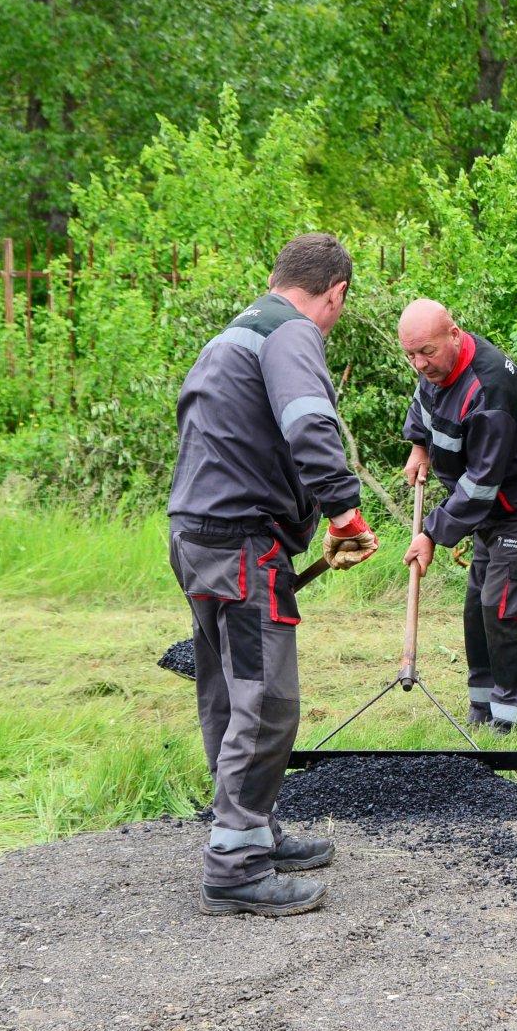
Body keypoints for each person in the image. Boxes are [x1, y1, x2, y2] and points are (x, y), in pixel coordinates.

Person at [168, 233, 380, 918]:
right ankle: (234, 869)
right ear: (336, 293)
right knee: (266, 704)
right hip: (240, 546)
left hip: (197, 535)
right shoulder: (290, 335)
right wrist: (345, 514)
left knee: (229, 695)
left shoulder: (234, 333)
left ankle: (251, 828)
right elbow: (309, 423)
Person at [399, 300, 517, 731]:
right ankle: (483, 705)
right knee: (477, 608)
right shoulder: (436, 369)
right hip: (494, 510)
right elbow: (424, 404)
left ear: (454, 334)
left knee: (506, 607)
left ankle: (515, 719)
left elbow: (482, 484)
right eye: (410, 354)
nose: (419, 364)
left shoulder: (489, 389)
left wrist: (432, 533)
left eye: (426, 352)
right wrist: (418, 444)